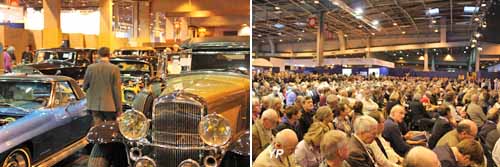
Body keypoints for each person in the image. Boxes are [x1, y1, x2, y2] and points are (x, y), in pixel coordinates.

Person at [85, 47, 124, 167]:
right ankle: (111, 155)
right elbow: (116, 91)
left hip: (94, 105)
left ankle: (98, 155)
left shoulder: (91, 68)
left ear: (98, 55)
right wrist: (119, 111)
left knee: (98, 131)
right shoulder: (114, 69)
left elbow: (85, 85)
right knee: (111, 132)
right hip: (110, 105)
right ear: (109, 55)